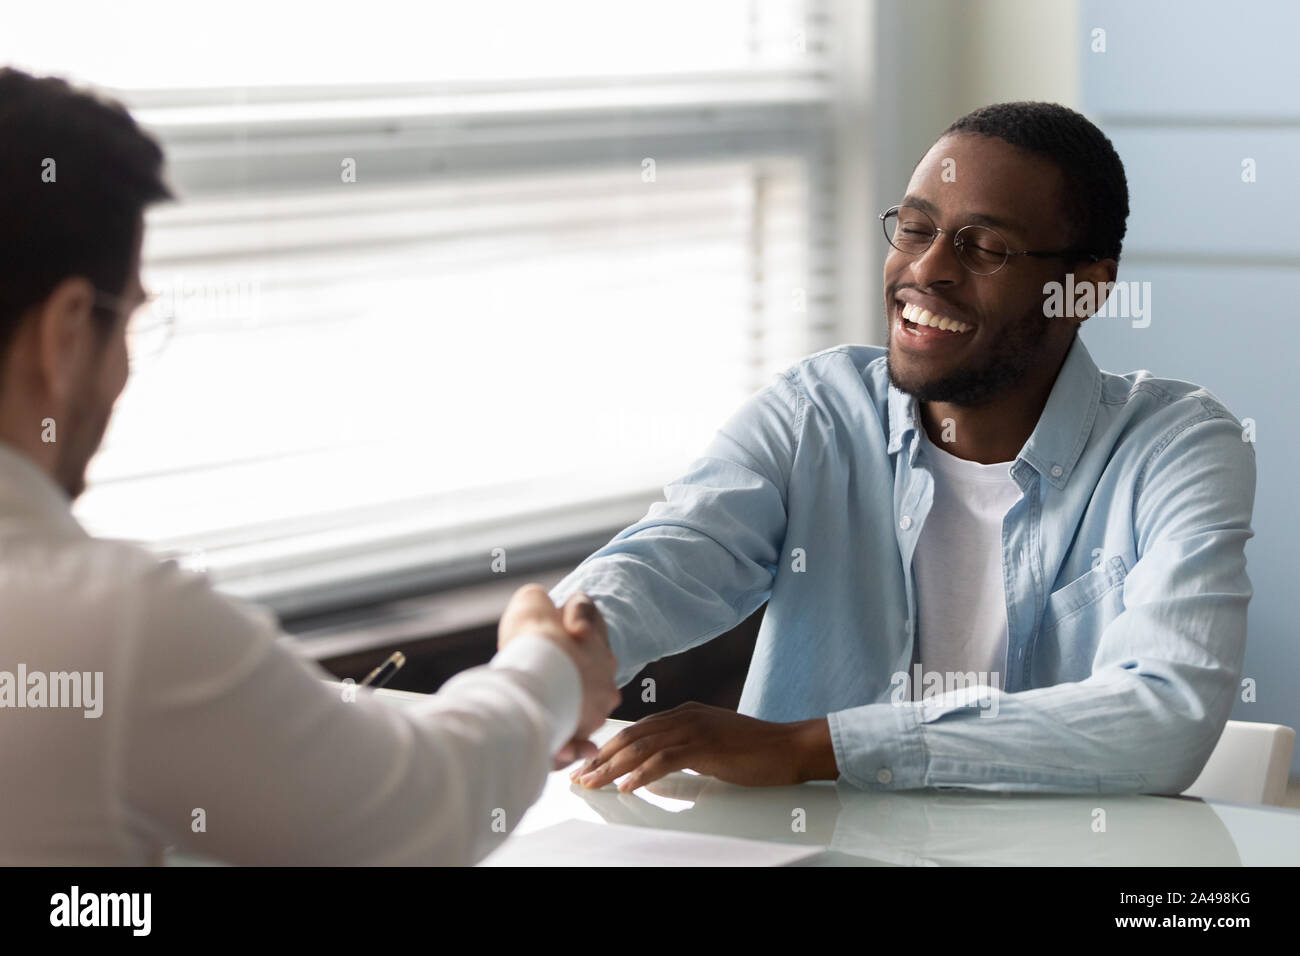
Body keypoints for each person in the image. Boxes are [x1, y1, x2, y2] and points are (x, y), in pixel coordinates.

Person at [0, 67, 620, 865]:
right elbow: (420, 807)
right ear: (65, 331)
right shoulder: (108, 624)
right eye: (129, 322)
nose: (121, 371)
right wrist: (548, 666)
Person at [556, 101, 1256, 796]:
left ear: (1079, 291)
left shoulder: (1177, 446)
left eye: (983, 248)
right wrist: (559, 645)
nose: (926, 269)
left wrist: (812, 748)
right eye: (915, 228)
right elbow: (674, 555)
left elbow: (1166, 716)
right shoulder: (817, 414)